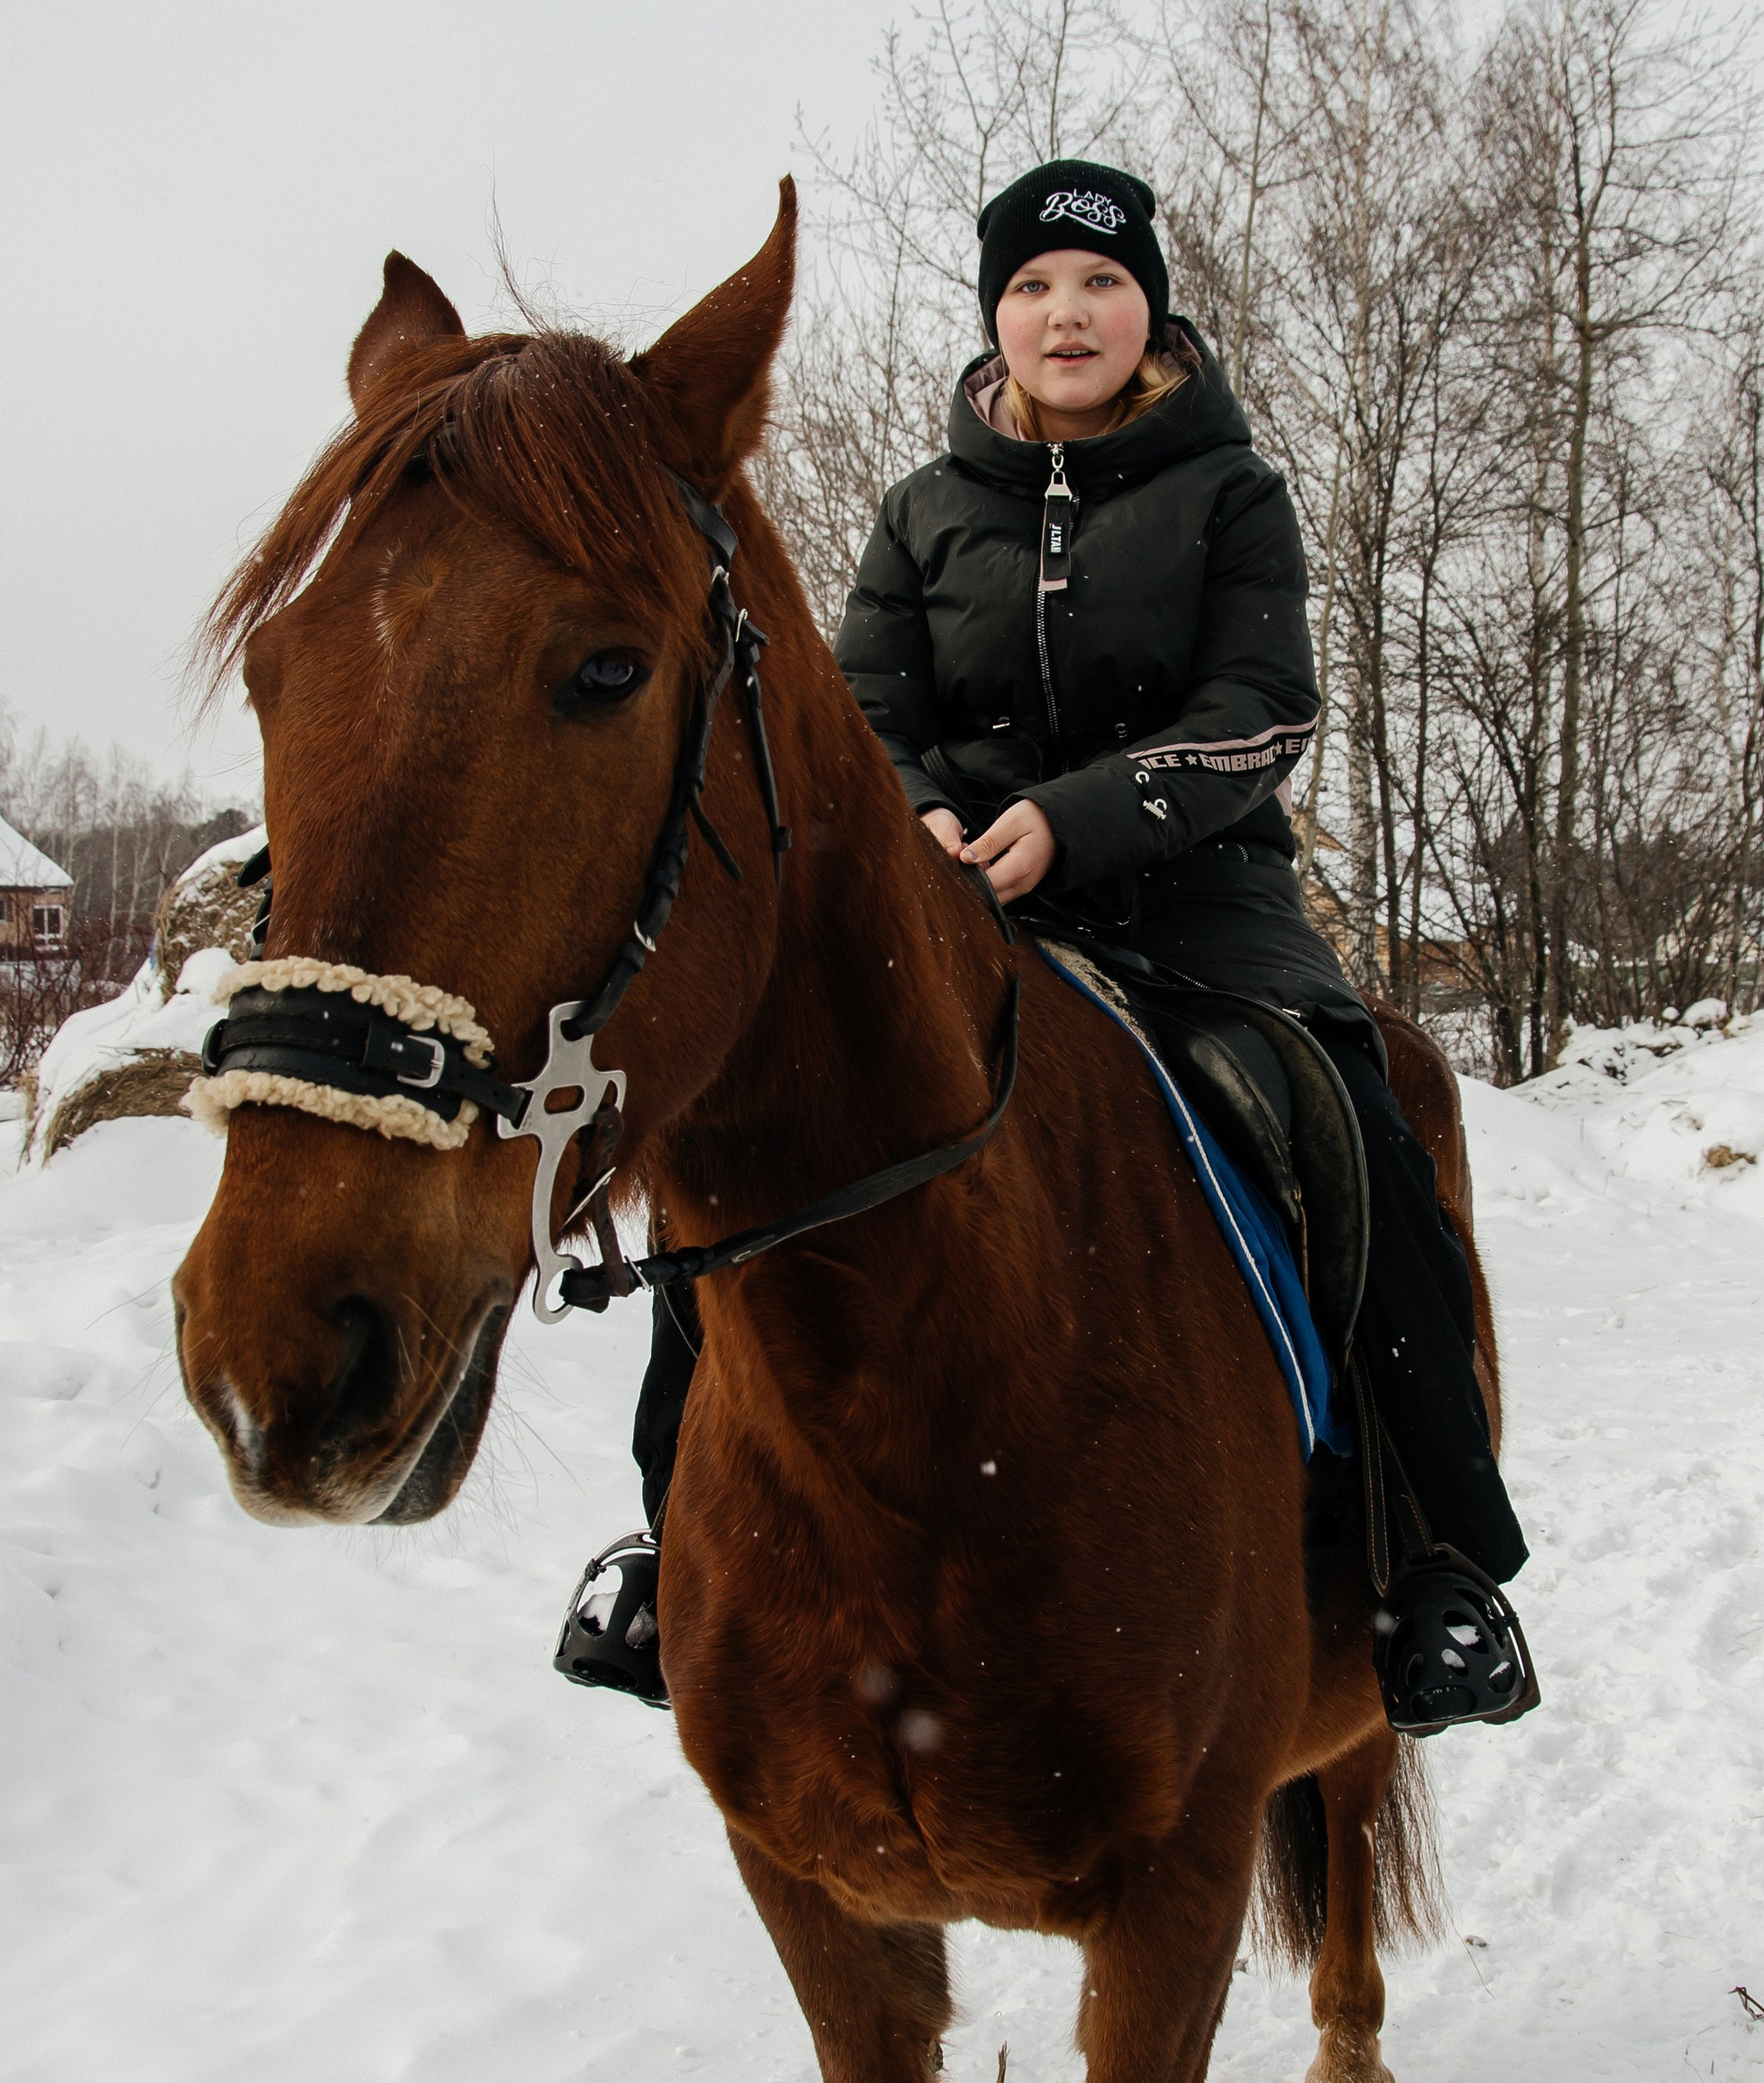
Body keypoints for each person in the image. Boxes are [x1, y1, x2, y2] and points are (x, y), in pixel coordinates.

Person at [560, 159, 1535, 1734]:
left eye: (1095, 283)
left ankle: (1436, 1558)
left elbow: (1262, 712)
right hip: (953, 912)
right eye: (1028, 287)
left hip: (1202, 908)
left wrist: (1079, 820)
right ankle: (673, 1538)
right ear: (995, 319)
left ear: (1148, 305)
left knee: (1348, 1123)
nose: (1063, 313)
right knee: (757, 1132)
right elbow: (857, 717)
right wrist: (929, 824)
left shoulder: (1234, 495)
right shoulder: (922, 512)